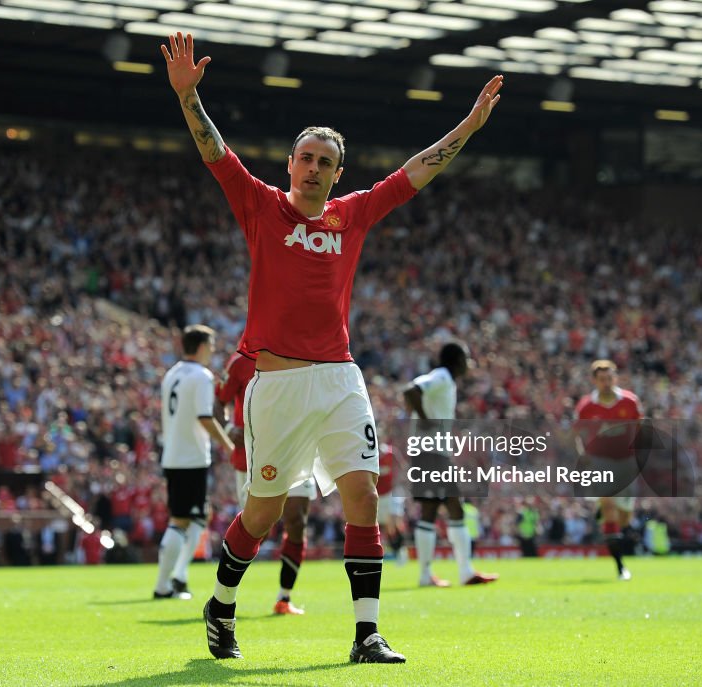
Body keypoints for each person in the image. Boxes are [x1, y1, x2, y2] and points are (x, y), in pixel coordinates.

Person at [161, 31, 503, 663]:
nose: (314, 168)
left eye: (325, 161)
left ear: (338, 173)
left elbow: (416, 171)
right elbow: (215, 151)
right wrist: (188, 97)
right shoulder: (261, 205)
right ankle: (221, 604)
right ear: (290, 165)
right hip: (279, 384)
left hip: (341, 378)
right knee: (262, 514)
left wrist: (471, 126)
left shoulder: (354, 213)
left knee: (363, 496)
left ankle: (366, 633)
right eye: (306, 158)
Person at [214, 346, 315, 615]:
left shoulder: (303, 353)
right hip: (252, 455)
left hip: (296, 447)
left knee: (297, 521)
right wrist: (228, 428)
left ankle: (284, 597)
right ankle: (224, 596)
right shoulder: (240, 362)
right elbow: (218, 402)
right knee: (258, 525)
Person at [403, 342, 498, 587]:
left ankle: (441, 574)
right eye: (465, 358)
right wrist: (425, 420)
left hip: (432, 453)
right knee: (448, 508)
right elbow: (410, 390)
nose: (468, 363)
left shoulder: (447, 381)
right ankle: (456, 572)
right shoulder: (442, 376)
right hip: (430, 453)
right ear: (456, 360)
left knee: (443, 510)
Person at [153, 325, 234, 600]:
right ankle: (163, 586)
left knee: (199, 515)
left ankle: (179, 575)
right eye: (210, 346)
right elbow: (204, 417)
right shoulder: (201, 376)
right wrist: (228, 445)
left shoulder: (172, 374)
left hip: (174, 454)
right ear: (200, 347)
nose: (212, 351)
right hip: (191, 457)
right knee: (180, 519)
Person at [574, 359, 644, 580]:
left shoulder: (630, 402)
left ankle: (604, 513)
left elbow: (640, 428)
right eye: (602, 379)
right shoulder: (586, 406)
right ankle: (620, 566)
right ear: (594, 381)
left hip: (626, 462)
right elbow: (577, 434)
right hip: (600, 462)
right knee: (609, 506)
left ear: (615, 378)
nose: (606, 382)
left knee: (624, 518)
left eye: (609, 378)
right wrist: (583, 455)